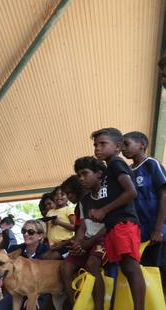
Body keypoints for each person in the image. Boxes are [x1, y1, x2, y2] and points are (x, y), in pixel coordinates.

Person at [90, 127, 145, 310]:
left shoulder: (116, 163)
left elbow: (131, 192)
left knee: (130, 266)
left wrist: (104, 210)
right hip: (113, 225)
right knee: (124, 268)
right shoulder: (108, 170)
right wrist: (99, 213)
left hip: (124, 222)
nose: (97, 148)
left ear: (118, 146)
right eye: (95, 145)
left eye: (103, 144)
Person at [122, 130, 166, 296]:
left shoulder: (151, 164)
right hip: (141, 234)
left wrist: (158, 228)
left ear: (142, 144)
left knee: (162, 271)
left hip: (158, 230)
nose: (123, 149)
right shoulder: (126, 171)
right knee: (149, 273)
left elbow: (164, 194)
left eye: (127, 144)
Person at [60, 157, 107, 310]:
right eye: (79, 175)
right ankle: (77, 306)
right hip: (87, 239)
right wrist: (78, 244)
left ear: (98, 174)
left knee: (92, 264)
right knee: (65, 268)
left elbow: (110, 224)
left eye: (84, 174)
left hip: (104, 238)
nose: (81, 179)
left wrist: (88, 242)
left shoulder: (107, 193)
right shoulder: (84, 201)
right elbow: (82, 227)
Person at [0, 220, 51, 310]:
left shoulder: (48, 252)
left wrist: (34, 297)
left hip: (42, 291)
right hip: (19, 291)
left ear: (40, 236)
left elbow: (49, 278)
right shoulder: (16, 249)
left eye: (30, 232)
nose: (26, 234)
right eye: (24, 231)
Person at [45, 185, 75, 251]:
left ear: (67, 197)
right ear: (53, 197)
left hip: (65, 244)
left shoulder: (68, 209)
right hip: (52, 246)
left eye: (62, 194)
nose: (59, 196)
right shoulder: (49, 212)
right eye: (56, 195)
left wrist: (59, 223)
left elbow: (75, 227)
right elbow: (47, 230)